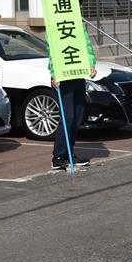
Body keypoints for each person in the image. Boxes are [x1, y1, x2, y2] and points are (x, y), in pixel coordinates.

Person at [50, 24, 96, 171]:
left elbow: (86, 45)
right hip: (64, 77)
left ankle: (68, 153)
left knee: (77, 116)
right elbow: (52, 49)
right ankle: (58, 156)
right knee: (68, 117)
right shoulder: (54, 22)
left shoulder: (77, 24)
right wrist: (53, 73)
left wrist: (91, 64)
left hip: (78, 74)